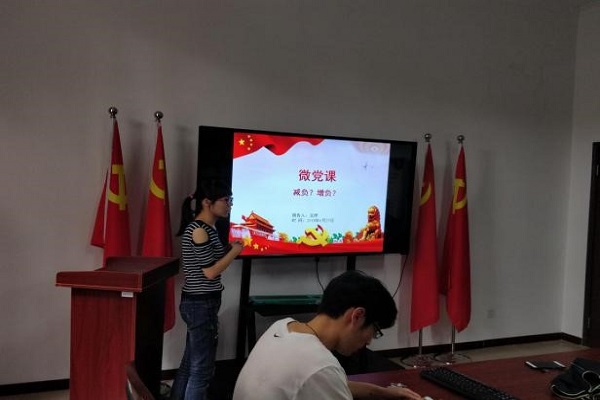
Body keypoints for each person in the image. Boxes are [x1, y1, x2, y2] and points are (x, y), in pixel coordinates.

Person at [232, 270, 424, 400]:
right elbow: (323, 377)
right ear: (357, 316)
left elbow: (330, 383)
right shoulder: (320, 367)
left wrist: (383, 393)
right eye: (374, 331)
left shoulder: (281, 327)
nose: (369, 341)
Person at [170, 180, 243, 400]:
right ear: (206, 202)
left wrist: (230, 248)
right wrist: (235, 252)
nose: (229, 205)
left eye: (230, 200)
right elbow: (210, 272)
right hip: (200, 304)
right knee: (201, 371)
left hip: (201, 302)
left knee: (190, 364)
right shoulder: (199, 230)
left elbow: (212, 261)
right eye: (226, 200)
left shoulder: (208, 228)